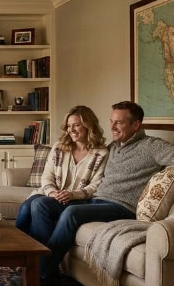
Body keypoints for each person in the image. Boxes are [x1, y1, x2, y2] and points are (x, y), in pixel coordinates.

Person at [14, 100, 174, 286]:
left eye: (119, 123)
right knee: (40, 204)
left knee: (71, 213)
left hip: (122, 206)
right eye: (112, 122)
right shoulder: (113, 148)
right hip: (96, 202)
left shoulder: (151, 147)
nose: (112, 127)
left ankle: (39, 275)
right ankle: (38, 265)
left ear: (136, 125)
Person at [14, 105, 109, 247]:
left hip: (78, 200)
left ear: (89, 126)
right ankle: (18, 251)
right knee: (27, 207)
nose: (71, 130)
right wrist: (52, 192)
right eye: (69, 126)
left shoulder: (101, 153)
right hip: (52, 194)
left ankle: (41, 257)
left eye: (76, 125)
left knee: (37, 204)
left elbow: (96, 185)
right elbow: (47, 176)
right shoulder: (59, 147)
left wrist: (72, 194)